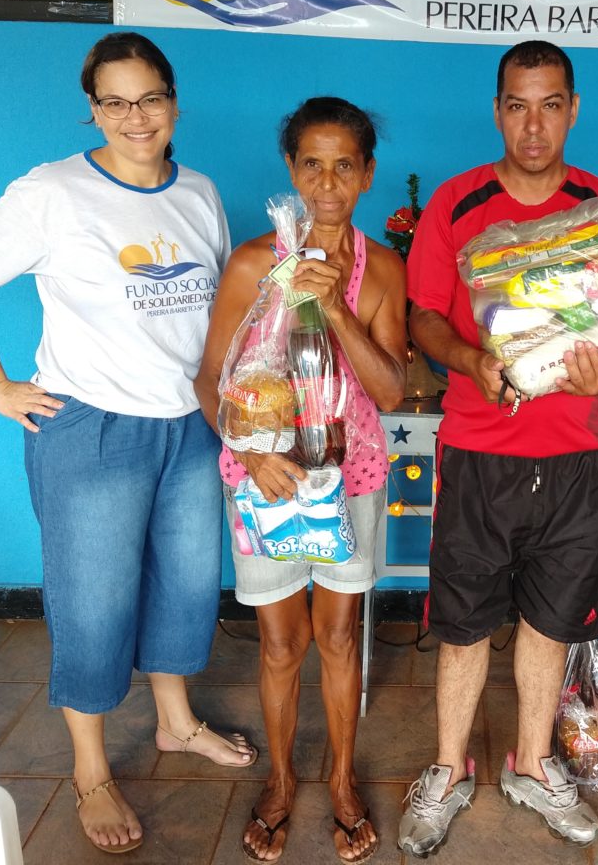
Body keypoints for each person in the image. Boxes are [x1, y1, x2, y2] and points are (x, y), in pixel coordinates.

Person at [0, 32, 256, 855]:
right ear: (93, 109)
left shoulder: (200, 192)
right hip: (92, 429)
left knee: (185, 585)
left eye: (149, 98)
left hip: (188, 427)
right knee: (94, 599)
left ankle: (176, 722)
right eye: (115, 102)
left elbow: (221, 314)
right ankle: (90, 769)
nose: (134, 117)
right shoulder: (52, 191)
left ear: (174, 101)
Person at [398, 40, 598, 856]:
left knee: (551, 620)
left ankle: (531, 765)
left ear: (572, 109)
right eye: (517, 106)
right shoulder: (456, 204)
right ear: (497, 111)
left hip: (573, 454)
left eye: (550, 105)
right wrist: (469, 360)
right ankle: (446, 769)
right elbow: (424, 316)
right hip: (479, 449)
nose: (533, 126)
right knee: (463, 623)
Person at [194, 97, 407, 863]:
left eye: (343, 166)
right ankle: (282, 782)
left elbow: (389, 391)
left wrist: (334, 308)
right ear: (291, 168)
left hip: (351, 477)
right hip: (267, 481)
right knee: (282, 644)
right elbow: (210, 379)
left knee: (339, 636)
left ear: (367, 174)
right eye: (311, 165)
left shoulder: (382, 269)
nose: (326, 182)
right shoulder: (254, 264)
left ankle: (341, 780)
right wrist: (250, 452)